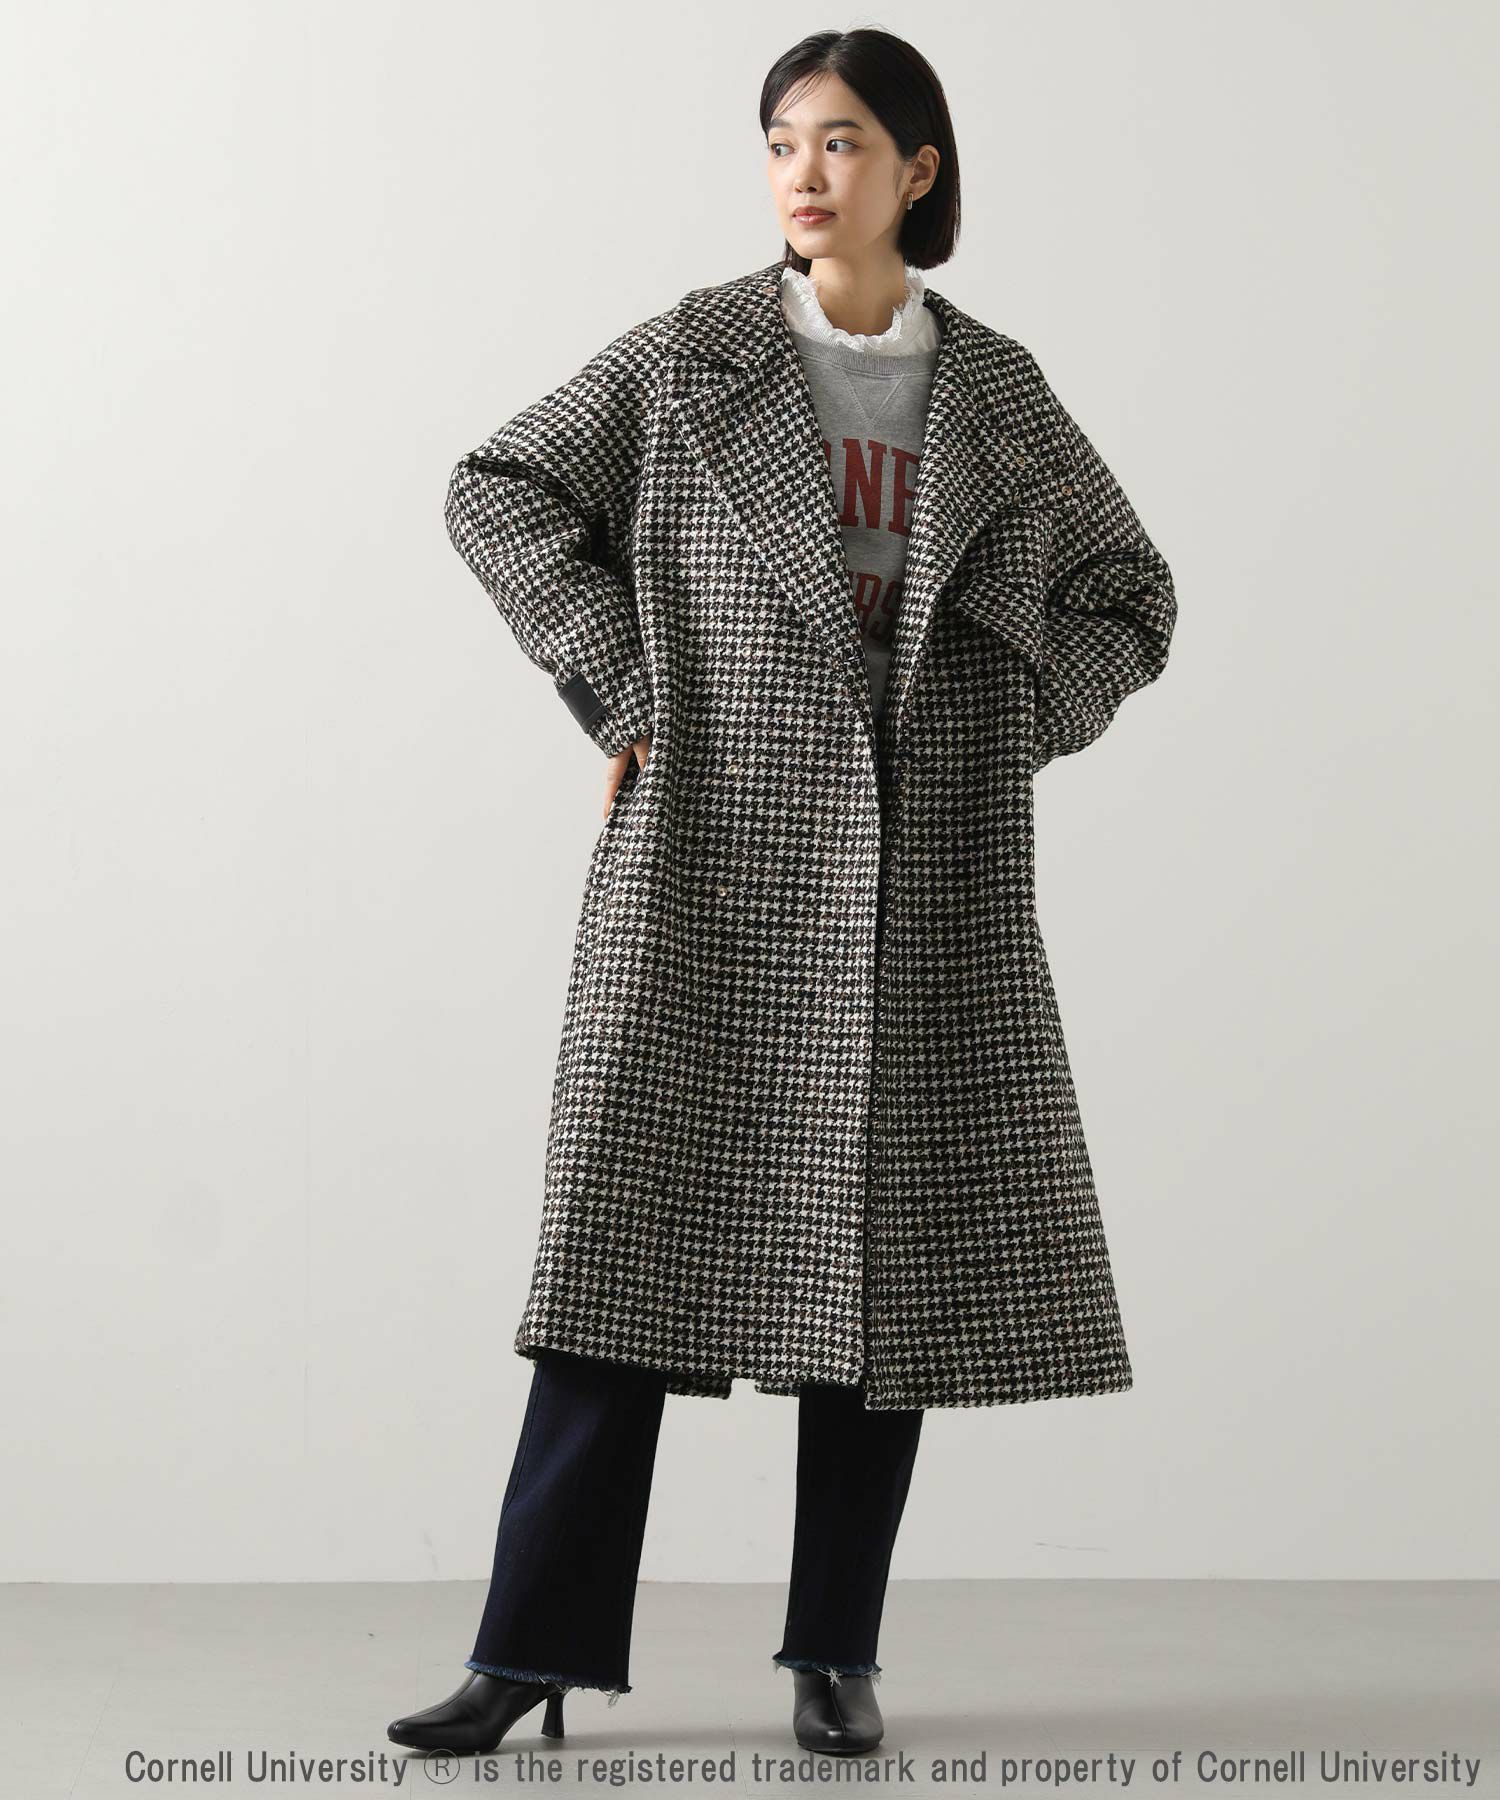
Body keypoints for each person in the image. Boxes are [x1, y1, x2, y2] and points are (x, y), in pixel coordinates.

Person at [389, 24, 1175, 1762]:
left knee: (876, 1289)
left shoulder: (998, 391)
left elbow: (1133, 594)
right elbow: (499, 488)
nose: (803, 174)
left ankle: (834, 1652)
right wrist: (629, 687)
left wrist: (1017, 718)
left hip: (923, 881)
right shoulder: (694, 355)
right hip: (710, 864)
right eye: (779, 143)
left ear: (918, 169)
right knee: (617, 1267)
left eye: (840, 142)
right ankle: (528, 1651)